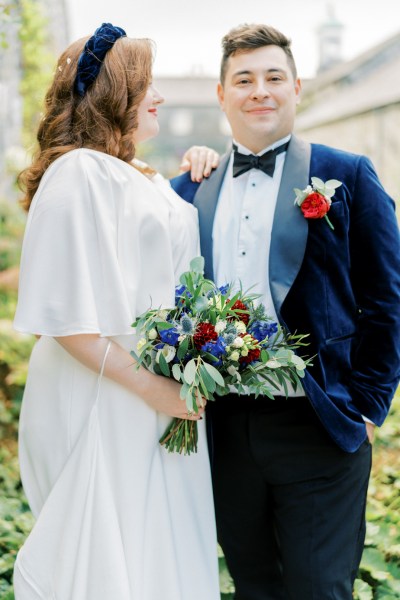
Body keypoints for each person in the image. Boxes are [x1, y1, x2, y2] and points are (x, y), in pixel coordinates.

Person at [171, 23, 400, 600]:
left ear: (296, 87)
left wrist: (367, 406)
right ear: (221, 95)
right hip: (223, 429)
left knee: (320, 590)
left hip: (320, 421)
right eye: (243, 80)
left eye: (274, 77)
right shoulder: (188, 190)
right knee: (254, 586)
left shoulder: (347, 175)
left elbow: (387, 297)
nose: (260, 92)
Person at [12, 23, 221, 600]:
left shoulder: (136, 174)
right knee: (114, 553)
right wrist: (154, 390)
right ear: (115, 94)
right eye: (148, 84)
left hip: (159, 390)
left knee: (161, 547)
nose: (159, 96)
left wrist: (201, 167)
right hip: (111, 389)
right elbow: (67, 322)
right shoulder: (77, 171)